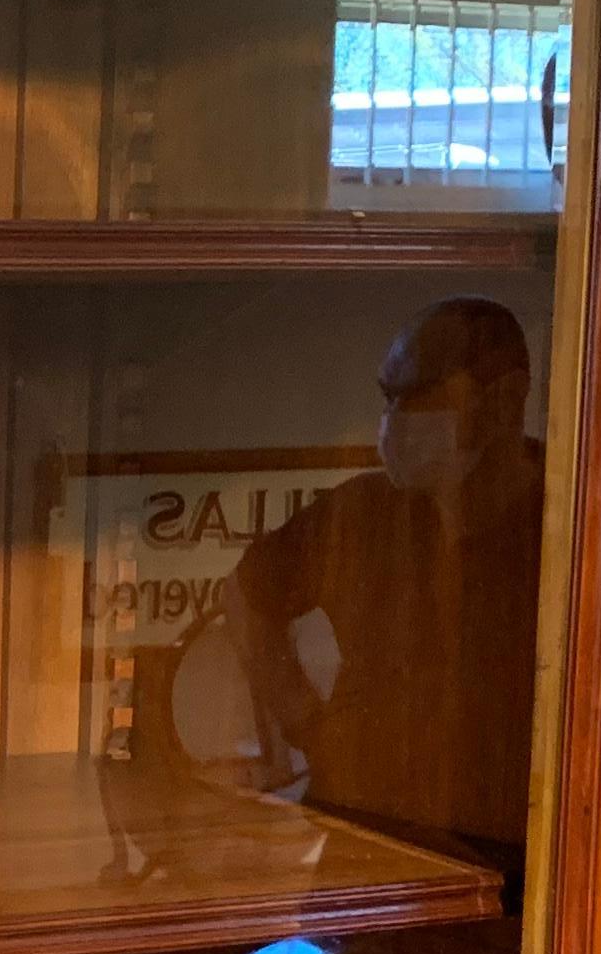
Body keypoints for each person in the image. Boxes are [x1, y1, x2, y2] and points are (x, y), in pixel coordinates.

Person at [220, 297, 545, 865]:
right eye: (388, 399)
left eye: (419, 396)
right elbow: (248, 593)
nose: (396, 422)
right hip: (366, 845)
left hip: (507, 863)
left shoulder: (567, 529)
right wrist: (305, 721)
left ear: (505, 399)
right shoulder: (366, 515)